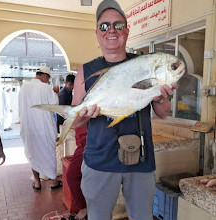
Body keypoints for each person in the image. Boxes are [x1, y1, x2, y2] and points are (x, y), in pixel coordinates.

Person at [71, 0, 178, 219]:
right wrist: (83, 114)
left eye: (118, 25)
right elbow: (75, 121)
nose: (111, 30)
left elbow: (164, 112)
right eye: (104, 26)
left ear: (126, 31)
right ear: (97, 33)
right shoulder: (86, 71)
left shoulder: (144, 64)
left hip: (140, 160)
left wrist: (161, 95)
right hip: (99, 162)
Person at [18, 66, 62, 190]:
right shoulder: (46, 88)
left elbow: (20, 109)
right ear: (44, 76)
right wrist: (55, 93)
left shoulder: (23, 88)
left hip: (28, 128)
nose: (47, 81)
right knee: (48, 153)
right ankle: (53, 182)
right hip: (44, 130)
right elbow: (54, 105)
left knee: (32, 154)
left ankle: (37, 183)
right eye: (48, 78)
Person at [66, 125, 87, 220]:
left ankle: (84, 210)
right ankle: (84, 208)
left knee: (72, 175)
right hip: (83, 142)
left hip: (88, 144)